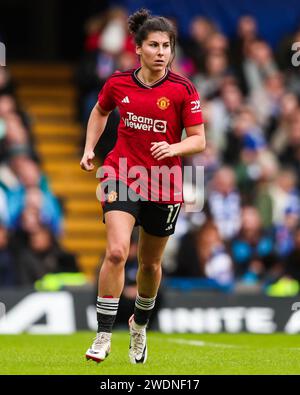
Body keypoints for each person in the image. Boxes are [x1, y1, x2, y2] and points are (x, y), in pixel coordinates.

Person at [80, 9, 205, 364]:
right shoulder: (118, 83)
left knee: (150, 265)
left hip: (164, 183)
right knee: (118, 252)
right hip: (121, 174)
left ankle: (140, 325)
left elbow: (198, 140)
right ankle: (104, 334)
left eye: (167, 45)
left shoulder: (183, 89)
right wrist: (90, 148)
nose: (161, 51)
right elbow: (100, 111)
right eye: (154, 45)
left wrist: (174, 147)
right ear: (138, 48)